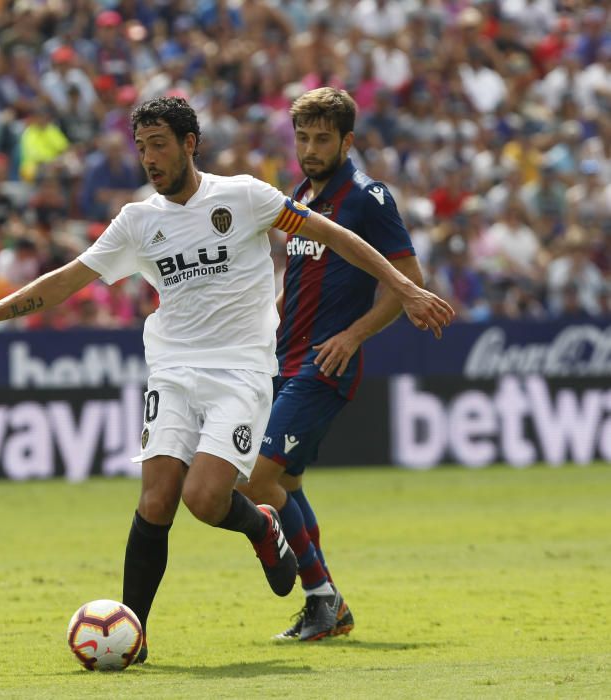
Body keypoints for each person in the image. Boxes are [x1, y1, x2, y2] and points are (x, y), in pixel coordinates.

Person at [0, 97, 453, 663]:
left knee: (204, 499)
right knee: (157, 500)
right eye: (141, 148)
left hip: (240, 372)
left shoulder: (245, 197)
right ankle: (134, 638)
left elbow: (335, 237)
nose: (149, 159)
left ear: (189, 144)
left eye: (159, 145)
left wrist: (405, 289)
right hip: (172, 370)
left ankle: (260, 527)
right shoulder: (137, 221)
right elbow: (66, 281)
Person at [238, 87, 433, 642]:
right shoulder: (300, 192)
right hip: (284, 356)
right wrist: (264, 327)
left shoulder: (368, 198)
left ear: (347, 141)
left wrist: (353, 334)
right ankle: (326, 607)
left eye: (323, 138)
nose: (310, 147)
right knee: (287, 484)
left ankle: (322, 597)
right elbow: (296, 281)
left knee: (257, 478)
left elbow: (407, 283)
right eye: (303, 137)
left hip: (326, 362)